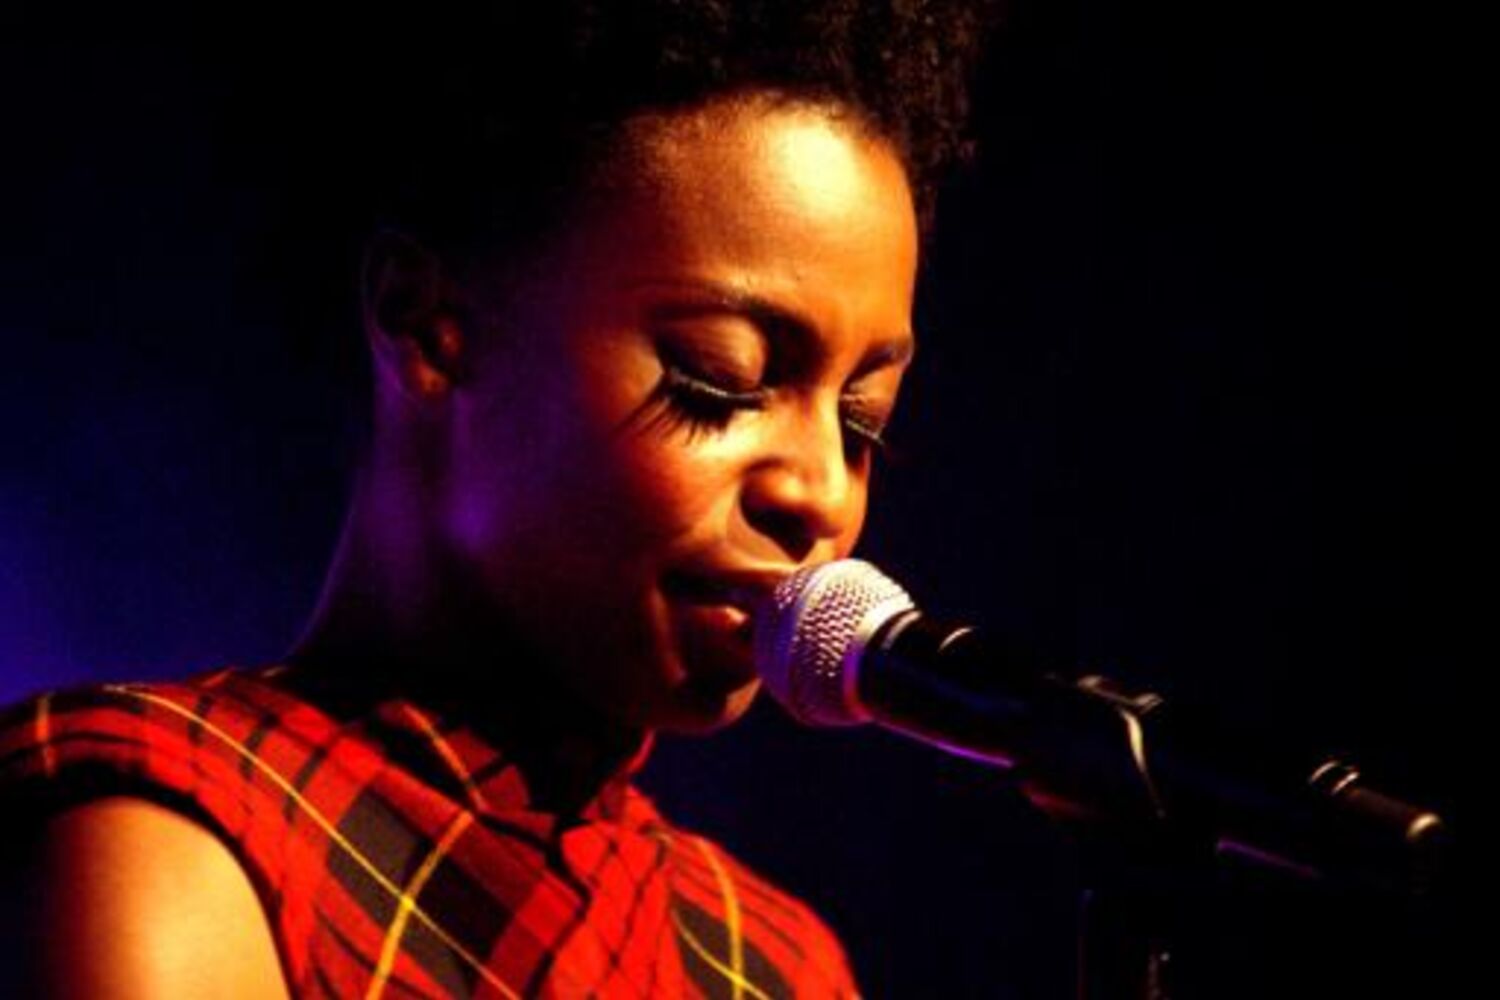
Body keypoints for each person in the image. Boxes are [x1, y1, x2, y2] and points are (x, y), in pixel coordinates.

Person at [0, 2, 995, 995]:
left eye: (861, 422)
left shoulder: (773, 963)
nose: (819, 491)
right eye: (717, 380)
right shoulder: (175, 840)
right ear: (428, 324)